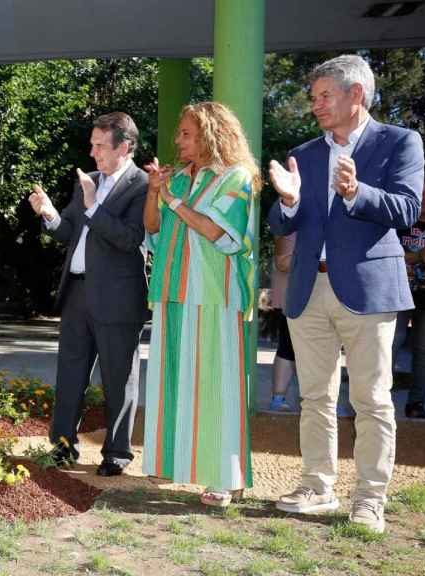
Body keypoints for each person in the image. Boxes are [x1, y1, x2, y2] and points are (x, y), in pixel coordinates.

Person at [267, 54, 424, 533]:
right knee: (315, 396)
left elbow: (408, 208)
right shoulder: (306, 153)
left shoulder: (400, 142)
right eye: (313, 98)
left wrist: (358, 193)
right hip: (308, 288)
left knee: (372, 400)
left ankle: (370, 499)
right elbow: (280, 222)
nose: (315, 105)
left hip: (369, 290)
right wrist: (289, 201)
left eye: (323, 96)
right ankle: (317, 486)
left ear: (355, 94)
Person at [141, 102, 260, 507]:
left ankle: (225, 478)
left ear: (211, 134)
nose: (178, 140)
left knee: (218, 385)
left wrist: (173, 201)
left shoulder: (235, 177)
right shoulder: (178, 178)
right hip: (172, 290)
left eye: (186, 134)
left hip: (214, 294)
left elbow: (215, 231)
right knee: (174, 381)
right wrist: (155, 193)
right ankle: (174, 464)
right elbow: (153, 228)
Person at [28, 112, 148, 476]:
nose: (92, 152)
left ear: (124, 147)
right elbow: (68, 232)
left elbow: (130, 238)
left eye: (99, 145)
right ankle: (63, 447)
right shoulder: (89, 181)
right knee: (70, 376)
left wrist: (95, 205)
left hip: (118, 299)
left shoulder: (143, 185)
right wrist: (49, 215)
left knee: (118, 379)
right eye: (92, 144)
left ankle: (116, 454)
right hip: (77, 295)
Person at [397, 172, 425, 420]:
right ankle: (379, 401)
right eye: (423, 193)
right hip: (396, 294)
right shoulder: (401, 219)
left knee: (424, 351)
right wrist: (418, 256)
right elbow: (388, 256)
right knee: (389, 344)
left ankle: (416, 404)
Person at [269, 233, 298, 412]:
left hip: (298, 295)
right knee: (287, 348)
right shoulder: (287, 217)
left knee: (288, 348)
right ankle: (278, 399)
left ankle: (279, 399)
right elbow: (282, 263)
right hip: (293, 295)